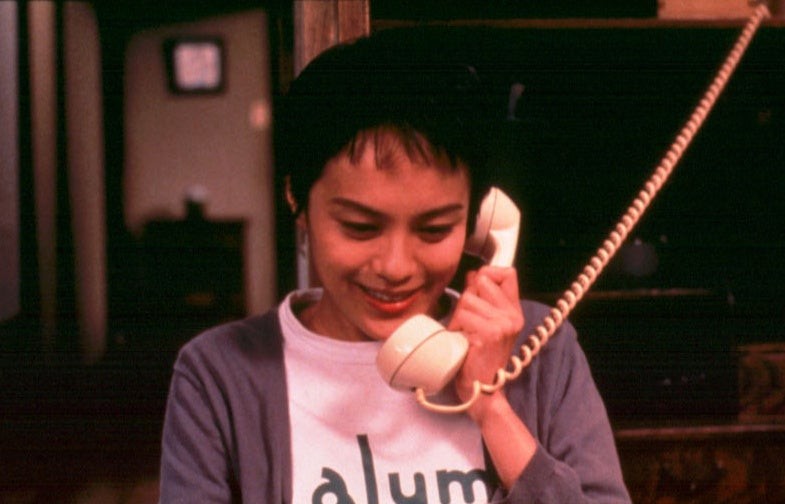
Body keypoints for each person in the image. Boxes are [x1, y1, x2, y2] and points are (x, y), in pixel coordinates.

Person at [159, 29, 631, 503]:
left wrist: (491, 408)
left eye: (434, 230)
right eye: (360, 227)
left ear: (478, 220)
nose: (395, 267)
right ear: (296, 199)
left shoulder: (542, 350)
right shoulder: (217, 375)